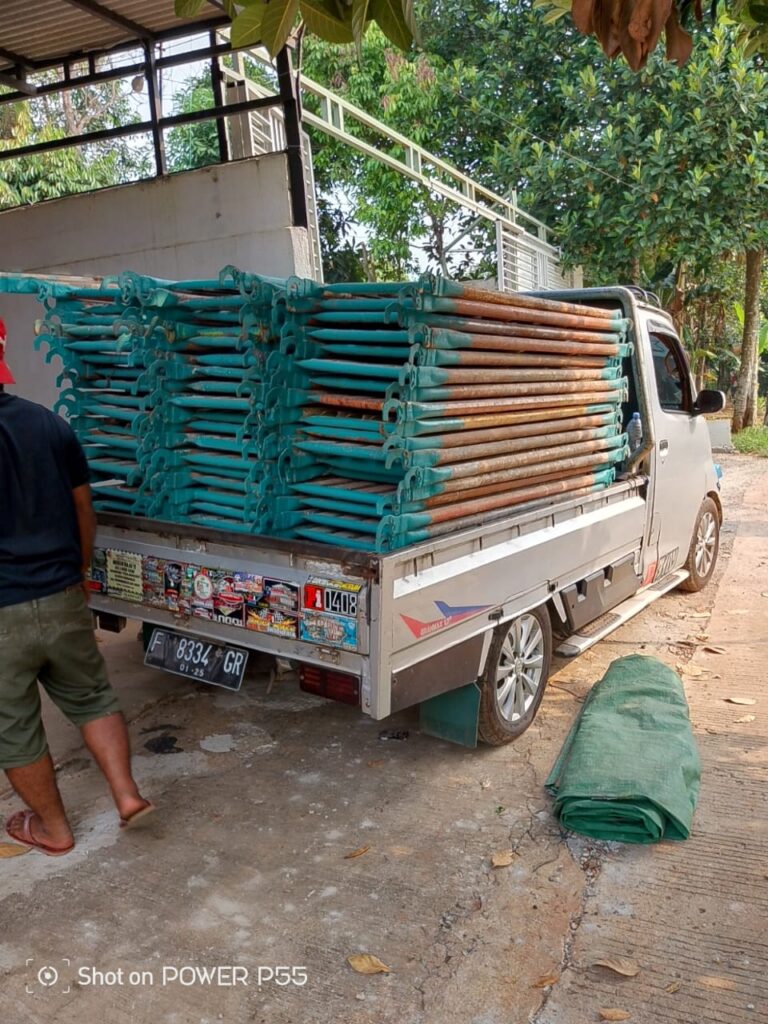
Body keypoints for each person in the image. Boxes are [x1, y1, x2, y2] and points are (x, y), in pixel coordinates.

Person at [0, 318, 153, 856]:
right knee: (92, 697)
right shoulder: (48, 425)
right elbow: (84, 509)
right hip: (63, 592)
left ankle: (53, 829)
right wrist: (80, 572)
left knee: (15, 732)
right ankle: (127, 793)